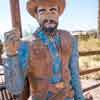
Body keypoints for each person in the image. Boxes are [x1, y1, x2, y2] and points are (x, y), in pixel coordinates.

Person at [3, 0, 85, 100]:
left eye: (53, 10)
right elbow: (15, 88)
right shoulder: (26, 44)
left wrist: (80, 98)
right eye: (42, 11)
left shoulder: (69, 38)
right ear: (36, 16)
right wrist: (11, 55)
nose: (48, 16)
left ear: (58, 14)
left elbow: (74, 73)